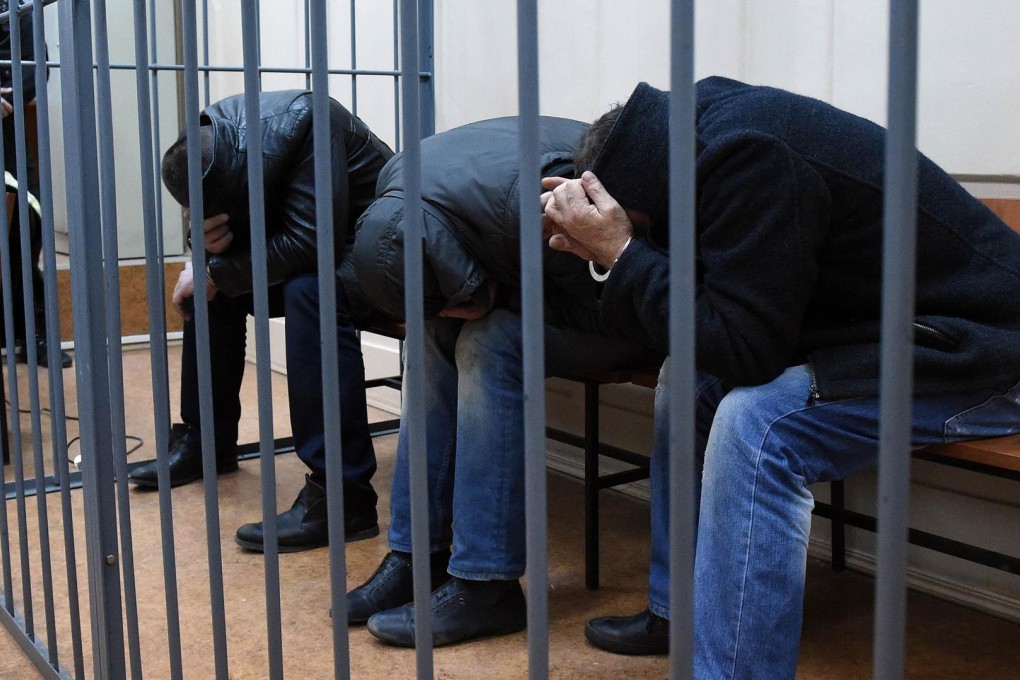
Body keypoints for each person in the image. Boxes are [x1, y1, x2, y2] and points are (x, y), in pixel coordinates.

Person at [541, 78, 1020, 678]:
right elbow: (703, 325)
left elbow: (747, 351)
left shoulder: (747, 158)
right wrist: (618, 251)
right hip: (901, 340)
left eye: (633, 222)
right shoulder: (687, 146)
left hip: (988, 352)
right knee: (685, 379)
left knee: (759, 423)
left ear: (639, 195)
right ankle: (677, 612)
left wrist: (626, 253)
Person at [339, 116, 657, 647]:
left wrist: (494, 301)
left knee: (491, 339)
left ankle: (487, 586)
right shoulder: (399, 184)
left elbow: (609, 302)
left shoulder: (539, 209)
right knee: (436, 328)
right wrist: (465, 299)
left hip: (639, 305)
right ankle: (418, 556)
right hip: (542, 263)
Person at [128, 90, 394, 554]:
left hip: (383, 250)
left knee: (308, 290)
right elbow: (220, 218)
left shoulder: (309, 122)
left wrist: (217, 270)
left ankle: (343, 497)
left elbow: (315, 243)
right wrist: (207, 245)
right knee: (215, 289)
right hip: (323, 251)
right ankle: (206, 441)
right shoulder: (208, 136)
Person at [0, 0, 70, 369]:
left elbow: (34, 68)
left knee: (27, 228)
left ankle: (34, 335)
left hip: (7, 133)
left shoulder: (18, 7)